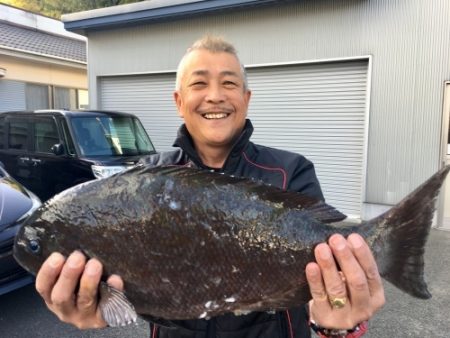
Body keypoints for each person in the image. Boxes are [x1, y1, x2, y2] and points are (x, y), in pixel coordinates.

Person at [35, 35, 385, 338]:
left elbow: (322, 282)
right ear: (178, 102)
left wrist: (337, 325)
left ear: (246, 99)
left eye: (229, 83)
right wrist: (92, 306)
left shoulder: (290, 172)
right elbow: (120, 299)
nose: (215, 96)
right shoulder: (144, 179)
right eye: (199, 83)